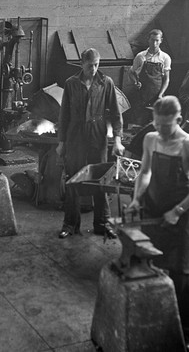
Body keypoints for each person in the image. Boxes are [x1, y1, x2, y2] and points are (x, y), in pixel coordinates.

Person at [127, 96, 189, 351]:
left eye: (167, 126)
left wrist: (178, 210)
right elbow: (145, 172)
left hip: (179, 213)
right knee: (153, 268)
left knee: (183, 275)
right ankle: (158, 320)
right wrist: (136, 198)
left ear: (179, 120)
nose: (161, 131)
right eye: (157, 124)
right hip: (153, 207)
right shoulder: (151, 138)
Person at [56, 48, 125, 239]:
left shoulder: (106, 83)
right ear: (81, 64)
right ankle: (70, 225)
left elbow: (116, 115)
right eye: (89, 65)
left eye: (96, 65)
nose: (93, 69)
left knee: (101, 180)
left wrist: (118, 140)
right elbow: (64, 116)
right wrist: (61, 142)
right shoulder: (71, 84)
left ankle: (103, 224)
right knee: (72, 181)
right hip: (75, 137)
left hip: (97, 136)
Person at [130, 29, 171, 126]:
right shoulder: (140, 56)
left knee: (155, 125)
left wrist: (161, 94)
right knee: (139, 124)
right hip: (142, 95)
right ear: (148, 40)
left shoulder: (165, 58)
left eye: (157, 40)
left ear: (161, 40)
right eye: (152, 40)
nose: (154, 43)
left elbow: (166, 79)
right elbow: (131, 73)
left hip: (157, 96)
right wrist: (135, 82)